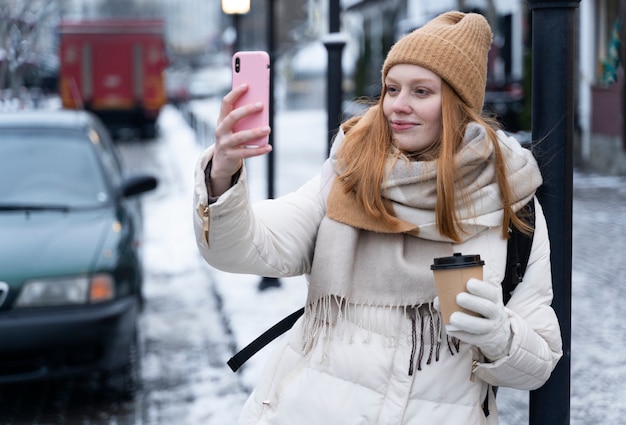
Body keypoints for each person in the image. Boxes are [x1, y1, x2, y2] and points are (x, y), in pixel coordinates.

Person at [193, 11, 562, 425]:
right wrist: (221, 176)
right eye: (391, 88)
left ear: (458, 105)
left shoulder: (510, 202)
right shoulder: (347, 174)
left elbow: (541, 360)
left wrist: (500, 334)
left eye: (421, 91)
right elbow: (248, 246)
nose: (397, 106)